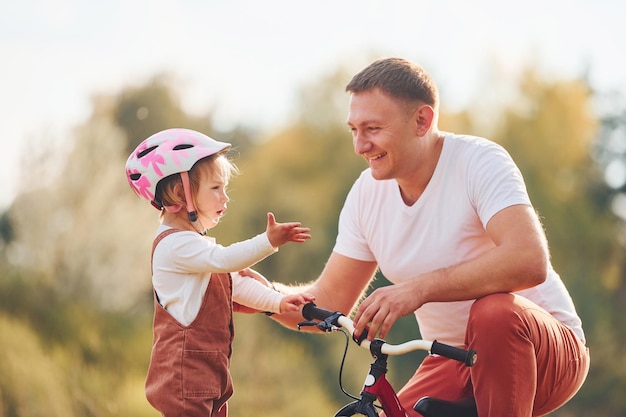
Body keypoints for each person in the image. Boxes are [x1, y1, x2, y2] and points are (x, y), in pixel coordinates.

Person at [271, 58, 589, 416]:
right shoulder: (366, 195)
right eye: (354, 130)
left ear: (422, 120)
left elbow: (529, 260)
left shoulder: (478, 162)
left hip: (544, 349)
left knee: (493, 313)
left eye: (373, 128)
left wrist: (417, 289)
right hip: (453, 359)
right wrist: (258, 296)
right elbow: (330, 301)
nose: (360, 145)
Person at [125, 128, 315, 417]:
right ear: (180, 193)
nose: (225, 198)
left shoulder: (194, 247)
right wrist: (268, 241)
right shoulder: (174, 246)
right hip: (184, 379)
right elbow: (226, 260)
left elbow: (234, 285)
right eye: (216, 188)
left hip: (210, 374)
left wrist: (277, 301)